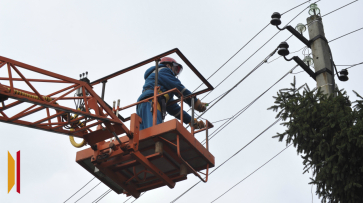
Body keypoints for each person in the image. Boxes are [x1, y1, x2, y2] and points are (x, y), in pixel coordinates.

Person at [136, 57, 207, 130]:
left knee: (143, 135)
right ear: (168, 65)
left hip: (146, 103)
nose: (175, 73)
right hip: (151, 102)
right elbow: (178, 87)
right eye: (175, 69)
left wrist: (190, 120)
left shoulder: (163, 90)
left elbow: (173, 108)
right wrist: (195, 102)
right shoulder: (163, 70)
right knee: (154, 132)